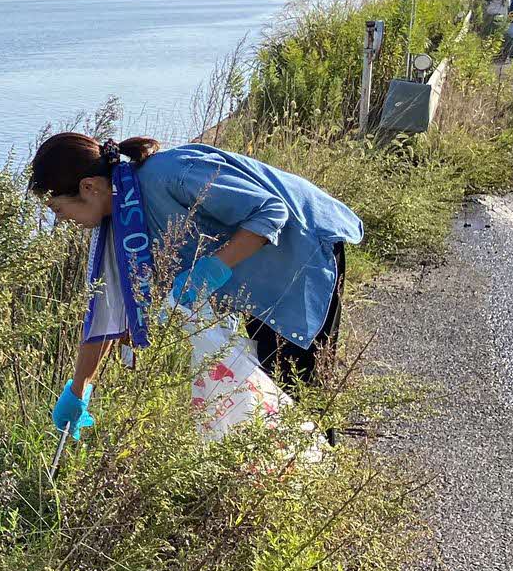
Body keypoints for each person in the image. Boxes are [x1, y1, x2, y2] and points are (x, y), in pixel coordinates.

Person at [27, 132, 362, 439]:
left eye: (59, 208)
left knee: (298, 389)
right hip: (255, 280)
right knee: (269, 392)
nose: (61, 220)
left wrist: (212, 269)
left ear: (88, 187)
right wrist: (79, 388)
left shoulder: (173, 174)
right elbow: (108, 307)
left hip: (303, 252)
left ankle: (323, 479)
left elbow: (271, 210)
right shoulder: (120, 220)